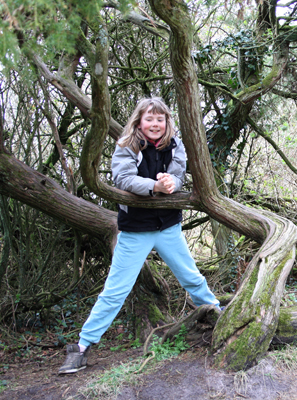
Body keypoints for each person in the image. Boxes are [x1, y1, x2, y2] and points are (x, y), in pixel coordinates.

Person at [58, 98, 220, 374]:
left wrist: (171, 183)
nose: (155, 124)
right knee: (115, 292)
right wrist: (154, 185)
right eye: (149, 119)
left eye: (160, 119)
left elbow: (178, 173)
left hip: (168, 227)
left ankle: (219, 315)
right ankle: (82, 347)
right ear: (139, 121)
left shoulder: (176, 144)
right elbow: (123, 178)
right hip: (135, 230)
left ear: (167, 122)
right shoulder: (127, 146)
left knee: (192, 277)